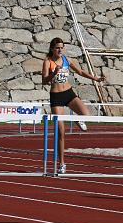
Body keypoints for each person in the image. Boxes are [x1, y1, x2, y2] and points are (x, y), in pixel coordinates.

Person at [42, 37, 105, 174]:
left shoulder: (66, 60)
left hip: (68, 93)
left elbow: (80, 72)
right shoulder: (48, 62)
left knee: (87, 114)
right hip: (56, 97)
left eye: (61, 47)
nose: (60, 50)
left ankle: (78, 119)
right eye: (57, 48)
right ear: (52, 49)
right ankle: (62, 163)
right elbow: (44, 81)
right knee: (61, 133)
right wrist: (54, 73)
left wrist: (96, 79)